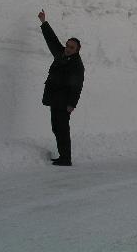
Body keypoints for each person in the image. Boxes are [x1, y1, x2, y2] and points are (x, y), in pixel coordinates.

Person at [38, 9, 85, 166]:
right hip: (55, 99)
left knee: (62, 129)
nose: (68, 48)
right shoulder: (61, 55)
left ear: (77, 50)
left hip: (64, 102)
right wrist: (44, 22)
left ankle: (66, 158)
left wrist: (72, 104)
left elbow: (77, 86)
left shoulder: (77, 65)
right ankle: (63, 155)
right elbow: (51, 40)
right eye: (67, 45)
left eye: (72, 47)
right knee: (56, 128)